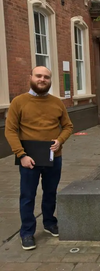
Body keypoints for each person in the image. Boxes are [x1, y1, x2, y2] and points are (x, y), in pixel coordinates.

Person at [5, 66, 73, 250]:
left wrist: (60, 141)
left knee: (51, 193)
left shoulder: (57, 103)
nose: (42, 79)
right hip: (29, 159)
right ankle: (27, 232)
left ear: (50, 81)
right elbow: (10, 130)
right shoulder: (19, 102)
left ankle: (50, 222)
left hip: (53, 157)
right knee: (27, 196)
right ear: (31, 77)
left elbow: (68, 126)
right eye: (39, 76)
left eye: (46, 77)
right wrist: (21, 155)